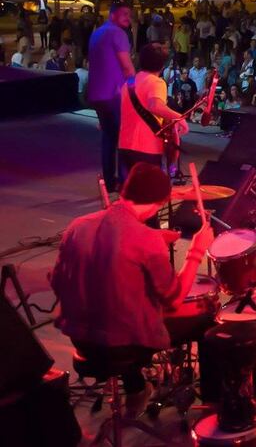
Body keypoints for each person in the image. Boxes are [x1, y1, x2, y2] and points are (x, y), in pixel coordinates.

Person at [51, 163, 216, 417]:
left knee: (113, 304)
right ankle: (215, 408)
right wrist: (196, 250)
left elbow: (56, 281)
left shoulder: (77, 226)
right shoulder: (146, 240)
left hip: (80, 339)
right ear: (159, 203)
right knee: (208, 318)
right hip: (120, 345)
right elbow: (173, 299)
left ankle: (136, 386)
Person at [119, 43, 187, 180]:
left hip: (124, 145)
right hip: (146, 147)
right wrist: (181, 118)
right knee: (149, 195)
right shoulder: (156, 82)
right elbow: (155, 105)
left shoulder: (129, 83)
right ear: (162, 65)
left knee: (133, 193)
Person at [87, 1, 136, 192]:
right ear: (113, 14)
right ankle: (124, 181)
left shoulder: (97, 33)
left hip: (97, 94)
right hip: (113, 93)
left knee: (108, 137)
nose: (127, 18)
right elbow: (126, 66)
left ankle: (109, 181)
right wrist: (135, 87)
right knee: (124, 137)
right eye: (124, 14)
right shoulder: (117, 33)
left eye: (129, 14)